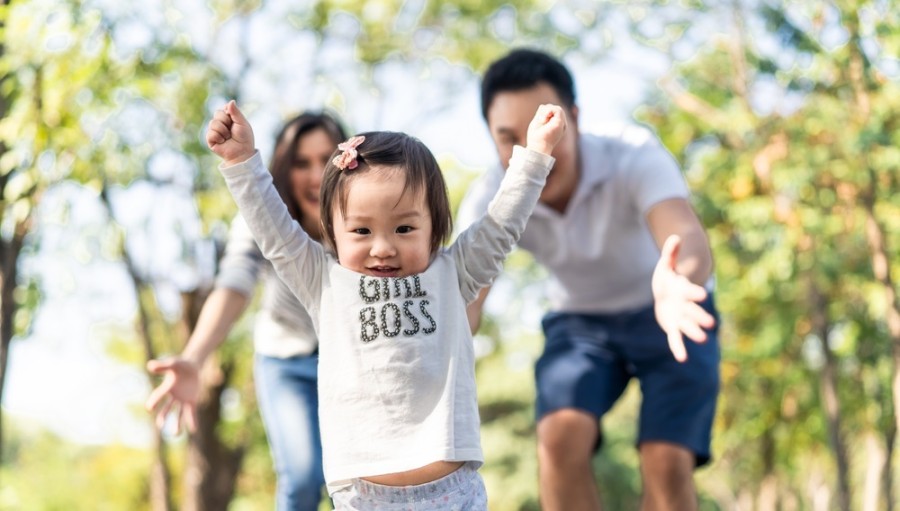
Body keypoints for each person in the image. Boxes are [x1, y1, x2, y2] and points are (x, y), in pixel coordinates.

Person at [204, 99, 565, 509]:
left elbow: (502, 224)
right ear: (332, 232)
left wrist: (534, 157)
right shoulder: (323, 281)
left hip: (453, 492)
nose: (383, 248)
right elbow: (273, 230)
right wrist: (242, 161)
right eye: (360, 230)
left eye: (405, 227)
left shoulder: (453, 274)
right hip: (364, 497)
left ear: (435, 226)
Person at [457, 48, 720, 511]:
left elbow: (686, 237)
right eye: (508, 138)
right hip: (581, 323)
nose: (531, 149)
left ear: (574, 117)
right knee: (558, 439)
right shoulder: (491, 196)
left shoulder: (631, 153)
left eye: (546, 130)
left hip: (670, 310)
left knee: (665, 461)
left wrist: (678, 279)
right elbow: (463, 306)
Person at [145, 111, 347, 510]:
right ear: (284, 169)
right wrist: (194, 358)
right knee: (305, 476)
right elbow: (234, 283)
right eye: (301, 163)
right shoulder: (262, 215)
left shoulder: (363, 221)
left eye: (325, 159)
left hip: (349, 363)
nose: (314, 175)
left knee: (353, 479)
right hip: (286, 361)